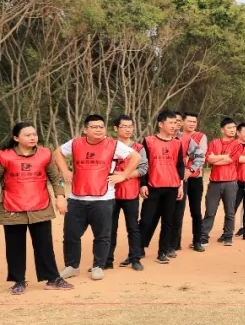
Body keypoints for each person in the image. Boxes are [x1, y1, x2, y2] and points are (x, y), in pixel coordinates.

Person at [54, 114, 141, 280]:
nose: (99, 130)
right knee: (71, 235)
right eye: (94, 127)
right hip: (77, 198)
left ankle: (98, 266)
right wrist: (64, 170)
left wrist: (124, 175)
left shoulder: (113, 144)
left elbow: (136, 157)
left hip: (103, 199)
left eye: (101, 127)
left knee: (102, 235)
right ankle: (72, 266)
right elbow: (57, 152)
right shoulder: (75, 143)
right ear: (85, 130)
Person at [0, 122, 73, 293]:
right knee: (14, 246)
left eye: (34, 134)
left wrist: (60, 197)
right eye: (27, 135)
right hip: (12, 208)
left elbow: (55, 178)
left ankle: (53, 279)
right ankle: (18, 281)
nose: (33, 137)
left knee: (44, 245)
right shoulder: (4, 156)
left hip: (40, 206)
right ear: (16, 138)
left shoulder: (45, 153)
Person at [135, 110, 187, 268]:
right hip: (153, 187)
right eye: (170, 123)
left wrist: (180, 185)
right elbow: (143, 164)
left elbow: (180, 165)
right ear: (160, 124)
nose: (174, 126)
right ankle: (138, 248)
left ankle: (162, 252)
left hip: (172, 187)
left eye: (175, 123)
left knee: (168, 221)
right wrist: (143, 183)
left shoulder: (177, 143)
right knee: (146, 220)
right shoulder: (149, 141)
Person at [109, 115, 147, 268]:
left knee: (133, 228)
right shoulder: (109, 146)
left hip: (130, 193)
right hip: (110, 194)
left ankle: (135, 258)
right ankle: (106, 260)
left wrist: (123, 175)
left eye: (130, 126)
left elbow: (143, 168)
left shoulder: (138, 148)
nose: (128, 129)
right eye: (124, 126)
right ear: (116, 128)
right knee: (109, 228)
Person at [201, 117, 243, 247]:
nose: (232, 130)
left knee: (230, 212)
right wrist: (223, 157)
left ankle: (228, 236)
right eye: (229, 127)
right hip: (214, 182)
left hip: (230, 182)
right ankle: (203, 236)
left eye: (234, 127)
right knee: (210, 211)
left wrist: (216, 159)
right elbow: (208, 159)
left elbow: (230, 160)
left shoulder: (237, 144)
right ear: (222, 130)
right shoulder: (214, 143)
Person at [178, 112, 208, 250]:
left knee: (195, 210)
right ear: (182, 122)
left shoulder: (201, 137)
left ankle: (197, 241)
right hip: (179, 180)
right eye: (189, 121)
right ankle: (175, 242)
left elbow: (200, 155)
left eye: (194, 122)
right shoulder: (176, 135)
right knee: (178, 211)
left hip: (195, 178)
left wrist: (188, 170)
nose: (192, 124)